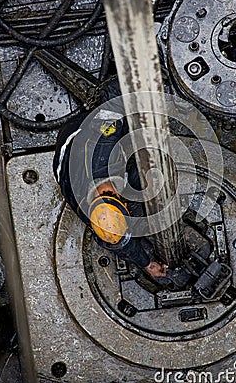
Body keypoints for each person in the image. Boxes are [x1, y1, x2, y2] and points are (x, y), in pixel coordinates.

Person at [53, 77, 167, 278]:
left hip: (77, 137)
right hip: (74, 165)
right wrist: (146, 263)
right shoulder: (100, 218)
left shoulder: (103, 144)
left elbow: (113, 96)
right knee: (145, 182)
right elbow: (115, 239)